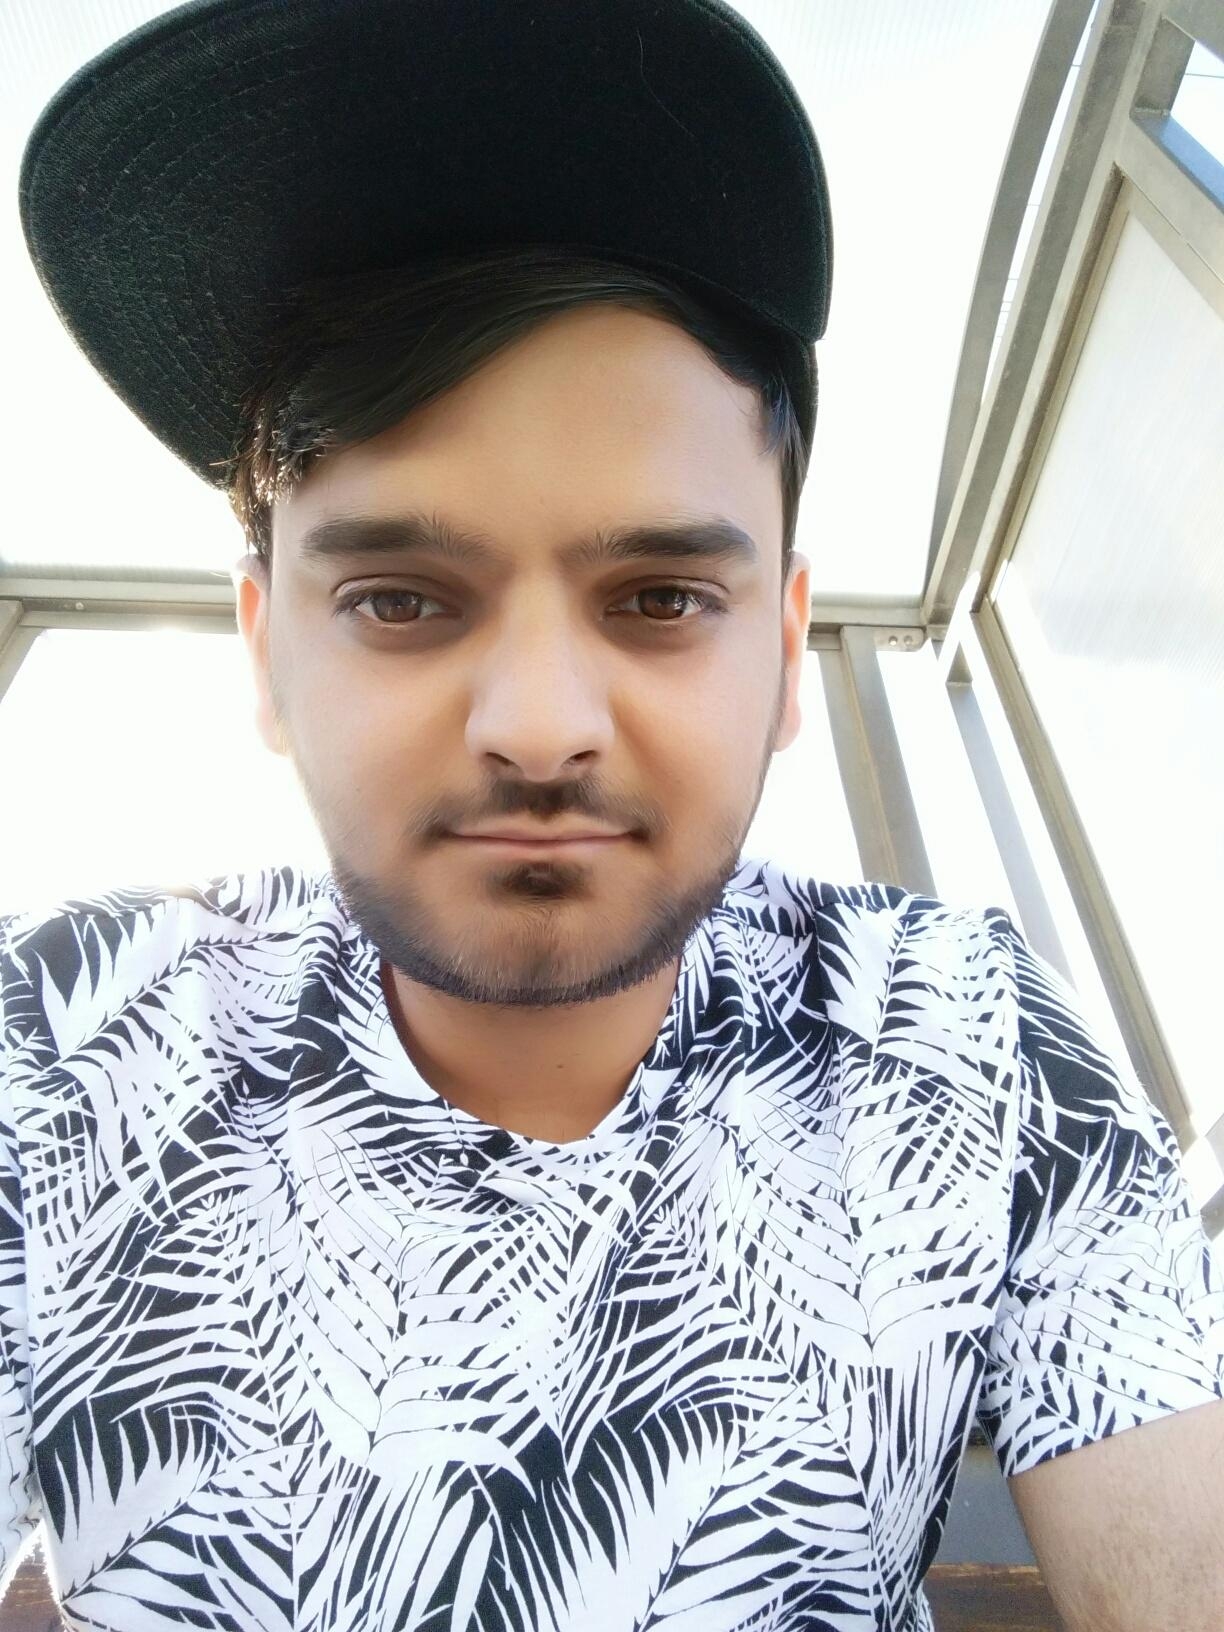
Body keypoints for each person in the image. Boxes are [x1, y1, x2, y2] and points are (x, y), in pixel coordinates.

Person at [5, 1, 1222, 1629]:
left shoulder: (967, 1045)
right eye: (397, 598)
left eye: (657, 598)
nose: (537, 726)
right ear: (265, 654)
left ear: (783, 653)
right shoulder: (54, 1042)